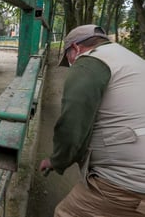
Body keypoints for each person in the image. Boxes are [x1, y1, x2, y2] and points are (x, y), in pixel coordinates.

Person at [39, 24, 145, 216]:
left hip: (128, 182)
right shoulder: (130, 59)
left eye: (68, 57)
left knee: (65, 213)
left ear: (76, 48)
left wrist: (57, 160)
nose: (70, 62)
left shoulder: (89, 63)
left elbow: (72, 127)